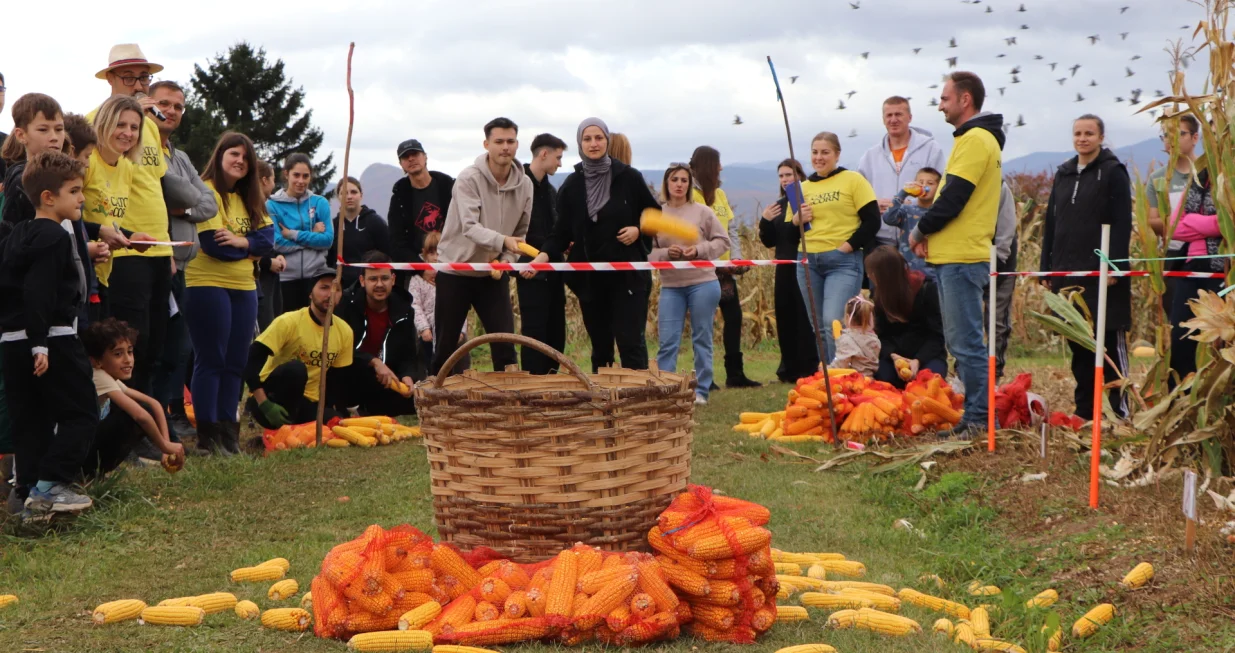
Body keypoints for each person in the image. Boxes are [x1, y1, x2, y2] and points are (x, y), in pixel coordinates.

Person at [0, 151, 99, 515]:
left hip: (12, 342)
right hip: (52, 340)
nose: (81, 198)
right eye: (74, 191)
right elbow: (38, 292)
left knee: (31, 422)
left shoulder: (16, 236)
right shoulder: (55, 237)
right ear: (48, 197)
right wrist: (40, 343)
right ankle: (49, 486)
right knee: (82, 413)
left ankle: (26, 497)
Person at [908, 71, 1004, 439]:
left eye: (945, 98)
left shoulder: (977, 140)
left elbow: (954, 199)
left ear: (965, 100)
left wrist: (920, 229)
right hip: (954, 254)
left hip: (964, 258)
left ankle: (980, 420)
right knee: (961, 342)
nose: (940, 104)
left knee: (967, 344)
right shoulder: (972, 140)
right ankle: (973, 418)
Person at [533, 118, 660, 373]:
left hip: (628, 278)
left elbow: (654, 215)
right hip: (591, 282)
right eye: (587, 139)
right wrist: (543, 256)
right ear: (581, 143)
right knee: (601, 348)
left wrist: (638, 229)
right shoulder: (572, 185)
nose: (594, 144)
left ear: (607, 141)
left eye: (599, 138)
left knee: (630, 344)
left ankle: (637, 405)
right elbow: (561, 233)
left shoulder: (628, 177)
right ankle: (604, 404)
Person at [90, 44, 175, 397]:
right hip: (120, 252)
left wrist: (166, 243)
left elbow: (156, 183)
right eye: (129, 77)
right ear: (110, 78)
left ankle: (145, 418)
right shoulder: (94, 119)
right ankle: (129, 420)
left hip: (155, 243)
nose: (139, 85)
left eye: (144, 77)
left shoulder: (149, 127)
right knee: (126, 342)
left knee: (156, 340)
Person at [185, 132, 275, 454]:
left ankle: (228, 434)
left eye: (245, 157)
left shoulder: (250, 197)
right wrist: (251, 247)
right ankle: (207, 438)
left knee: (236, 361)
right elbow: (213, 246)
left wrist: (242, 242)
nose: (240, 161)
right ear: (220, 155)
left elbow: (268, 241)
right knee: (212, 359)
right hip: (206, 283)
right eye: (234, 154)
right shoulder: (206, 190)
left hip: (244, 287)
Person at [1040, 114, 1131, 418]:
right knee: (1079, 345)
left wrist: (1115, 266)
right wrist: (1046, 267)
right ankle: (1086, 411)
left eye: (1089, 133)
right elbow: (1052, 223)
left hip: (1102, 273)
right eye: (1078, 133)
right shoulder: (1064, 173)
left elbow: (1122, 223)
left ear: (1101, 137)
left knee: (1107, 343)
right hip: (1067, 272)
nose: (1082, 138)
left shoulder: (1113, 172)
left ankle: (1119, 412)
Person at [431, 117, 531, 373]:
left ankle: (508, 405)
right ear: (487, 144)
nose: (505, 147)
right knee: (445, 345)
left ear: (517, 144)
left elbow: (520, 234)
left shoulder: (526, 185)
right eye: (499, 141)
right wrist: (503, 240)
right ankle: (436, 406)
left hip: (492, 274)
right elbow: (470, 227)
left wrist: (507, 261)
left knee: (505, 345)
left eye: (510, 141)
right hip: (455, 271)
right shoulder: (468, 179)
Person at [150, 80, 218, 437]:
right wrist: (179, 201)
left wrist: (183, 207)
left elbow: (209, 204)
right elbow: (165, 195)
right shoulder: (149, 153)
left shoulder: (181, 157)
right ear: (150, 106)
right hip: (159, 260)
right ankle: (157, 423)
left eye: (178, 106)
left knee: (178, 348)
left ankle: (166, 419)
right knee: (161, 348)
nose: (172, 111)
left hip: (184, 265)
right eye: (165, 104)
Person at [795, 131, 880, 360]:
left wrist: (848, 246)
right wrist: (796, 220)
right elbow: (789, 230)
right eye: (815, 152)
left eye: (825, 152)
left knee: (834, 321)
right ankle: (826, 378)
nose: (819, 157)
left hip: (842, 261)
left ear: (837, 154)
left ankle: (841, 377)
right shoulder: (800, 188)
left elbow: (872, 220)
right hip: (807, 261)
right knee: (818, 327)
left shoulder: (853, 180)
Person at [650, 164, 729, 404]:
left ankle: (702, 390)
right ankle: (667, 390)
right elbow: (648, 252)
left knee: (702, 337)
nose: (679, 184)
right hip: (671, 286)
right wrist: (666, 253)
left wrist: (699, 250)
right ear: (667, 183)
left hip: (702, 282)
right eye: (674, 179)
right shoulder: (657, 214)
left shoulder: (703, 212)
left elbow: (722, 241)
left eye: (684, 180)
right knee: (668, 340)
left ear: (689, 184)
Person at [244, 268, 353, 429]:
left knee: (335, 420)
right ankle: (278, 422)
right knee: (296, 369)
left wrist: (340, 411)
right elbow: (251, 360)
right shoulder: (288, 322)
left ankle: (298, 425)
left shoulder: (345, 331)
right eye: (324, 287)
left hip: (308, 402)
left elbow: (337, 380)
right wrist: (264, 403)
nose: (330, 294)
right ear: (310, 293)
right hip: (271, 399)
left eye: (336, 289)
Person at [691, 145, 760, 388]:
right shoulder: (691, 196)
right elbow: (693, 234)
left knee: (734, 318)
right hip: (703, 270)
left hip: (725, 270)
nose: (721, 168)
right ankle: (704, 376)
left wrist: (737, 260)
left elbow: (730, 229)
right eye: (717, 163)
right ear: (708, 166)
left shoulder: (719, 194)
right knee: (704, 325)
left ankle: (735, 374)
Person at [83, 318, 184, 474]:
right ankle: (86, 475)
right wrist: (166, 446)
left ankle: (94, 474)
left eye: (129, 352)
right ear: (96, 361)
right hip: (76, 453)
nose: (127, 360)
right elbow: (141, 415)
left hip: (84, 448)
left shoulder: (108, 377)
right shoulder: (98, 376)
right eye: (118, 354)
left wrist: (165, 446)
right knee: (130, 417)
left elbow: (153, 404)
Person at [1162, 145, 1224, 385]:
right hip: (1193, 266)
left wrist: (1195, 222)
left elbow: (1230, 221)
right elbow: (1175, 228)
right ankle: (1180, 402)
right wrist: (1216, 223)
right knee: (1182, 338)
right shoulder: (1199, 181)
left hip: (1225, 269)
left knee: (1222, 341)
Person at [335, 251, 421, 416]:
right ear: (362, 281)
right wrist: (373, 361)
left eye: (385, 278)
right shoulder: (345, 305)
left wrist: (408, 375)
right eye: (373, 279)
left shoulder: (405, 310)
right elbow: (339, 350)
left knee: (413, 400)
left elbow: (409, 354)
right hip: (352, 372)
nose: (379, 284)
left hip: (388, 378)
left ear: (393, 280)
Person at [857, 96, 948, 249]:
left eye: (898, 114)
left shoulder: (931, 149)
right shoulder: (870, 156)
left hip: (919, 239)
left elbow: (941, 191)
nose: (893, 120)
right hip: (881, 243)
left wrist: (910, 205)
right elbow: (858, 194)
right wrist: (872, 205)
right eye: (889, 115)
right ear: (883, 119)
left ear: (909, 117)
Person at [758, 159, 819, 383]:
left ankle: (809, 366)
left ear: (800, 176)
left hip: (803, 264)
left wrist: (794, 224)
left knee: (805, 317)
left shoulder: (804, 203)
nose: (784, 180)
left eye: (789, 175)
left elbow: (795, 235)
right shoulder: (779, 205)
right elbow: (770, 240)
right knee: (786, 315)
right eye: (781, 176)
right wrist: (765, 220)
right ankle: (789, 368)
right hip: (783, 268)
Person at [516, 133, 567, 374]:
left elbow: (556, 231)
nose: (560, 163)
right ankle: (533, 386)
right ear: (543, 154)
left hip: (554, 272)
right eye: (558, 157)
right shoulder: (517, 185)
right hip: (529, 273)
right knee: (534, 334)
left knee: (556, 333)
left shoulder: (551, 191)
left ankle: (553, 382)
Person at [865, 245, 948, 389]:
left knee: (929, 382)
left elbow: (937, 336)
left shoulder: (926, 290)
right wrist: (893, 356)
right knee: (885, 381)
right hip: (893, 357)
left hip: (925, 355)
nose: (868, 277)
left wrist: (918, 360)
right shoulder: (877, 295)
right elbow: (879, 335)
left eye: (872, 273)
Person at [1147, 114, 1202, 313]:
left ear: (1195, 138)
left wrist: (1180, 225)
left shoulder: (1210, 172)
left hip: (1208, 257)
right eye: (1166, 135)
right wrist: (1191, 226)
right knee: (1177, 320)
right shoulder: (1157, 179)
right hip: (1171, 256)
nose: (1171, 140)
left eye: (1179, 134)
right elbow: (1153, 220)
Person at [268, 153, 333, 314]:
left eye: (306, 176)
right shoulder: (272, 205)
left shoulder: (320, 203)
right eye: (296, 175)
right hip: (284, 279)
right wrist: (312, 234)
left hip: (315, 278)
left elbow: (327, 240)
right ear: (286, 174)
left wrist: (292, 234)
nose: (301, 181)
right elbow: (276, 243)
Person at [388, 139, 454, 286]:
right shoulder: (399, 198)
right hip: (417, 272)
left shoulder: (449, 188)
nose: (411, 159)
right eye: (406, 157)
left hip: (453, 263)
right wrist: (421, 269)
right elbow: (396, 242)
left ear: (425, 157)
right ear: (401, 164)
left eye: (415, 154)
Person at [409, 231, 469, 375]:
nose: (436, 257)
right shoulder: (417, 281)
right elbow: (415, 305)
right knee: (427, 369)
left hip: (451, 330)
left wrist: (461, 330)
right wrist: (423, 328)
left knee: (458, 368)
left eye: (439, 253)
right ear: (424, 255)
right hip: (427, 334)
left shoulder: (454, 278)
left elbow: (461, 305)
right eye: (432, 253)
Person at [880, 166, 941, 280]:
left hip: (933, 274)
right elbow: (888, 218)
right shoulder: (907, 210)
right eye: (920, 182)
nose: (924, 186)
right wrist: (903, 193)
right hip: (908, 272)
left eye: (930, 183)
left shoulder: (940, 213)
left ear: (939, 187)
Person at [328, 176, 389, 288]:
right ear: (338, 197)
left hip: (369, 286)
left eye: (353, 192)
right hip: (341, 288)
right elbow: (329, 259)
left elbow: (388, 254)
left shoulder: (375, 222)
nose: (349, 197)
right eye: (344, 193)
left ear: (361, 195)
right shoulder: (333, 226)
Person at [255, 160, 286, 331]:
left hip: (271, 280)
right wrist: (268, 262)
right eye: (274, 179)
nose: (274, 185)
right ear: (265, 180)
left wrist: (277, 255)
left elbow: (266, 243)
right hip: (257, 280)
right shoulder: (249, 208)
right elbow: (248, 243)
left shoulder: (262, 207)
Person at [992, 181, 1018, 381]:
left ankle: (995, 374)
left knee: (996, 321)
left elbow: (1007, 227)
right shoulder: (962, 181)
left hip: (1001, 263)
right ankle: (963, 374)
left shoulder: (1000, 187)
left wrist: (999, 259)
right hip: (968, 261)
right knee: (968, 322)